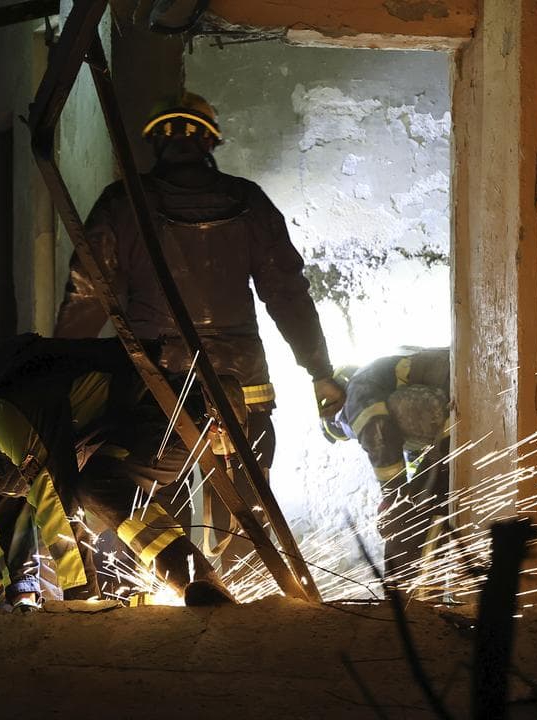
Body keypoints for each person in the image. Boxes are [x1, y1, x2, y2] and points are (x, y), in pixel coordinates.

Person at [53, 92, 345, 556]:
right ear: (211, 141)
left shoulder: (122, 203)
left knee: (149, 501)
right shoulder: (248, 202)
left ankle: (175, 591)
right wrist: (320, 370)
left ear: (155, 143)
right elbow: (287, 294)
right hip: (242, 381)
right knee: (242, 510)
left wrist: (57, 374)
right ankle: (239, 606)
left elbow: (88, 295)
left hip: (156, 383)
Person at [0, 334, 234, 609]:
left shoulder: (2, 414)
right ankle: (138, 590)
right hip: (128, 434)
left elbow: (56, 499)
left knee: (93, 491)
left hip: (176, 415)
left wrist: (80, 599)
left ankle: (199, 582)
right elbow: (7, 519)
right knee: (84, 501)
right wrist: (22, 596)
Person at [321, 347, 451, 587]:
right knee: (425, 507)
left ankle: (407, 600)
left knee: (411, 522)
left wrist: (395, 499)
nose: (353, 431)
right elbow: (415, 459)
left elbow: (376, 429)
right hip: (449, 423)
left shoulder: (356, 389)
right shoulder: (385, 380)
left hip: (452, 411)